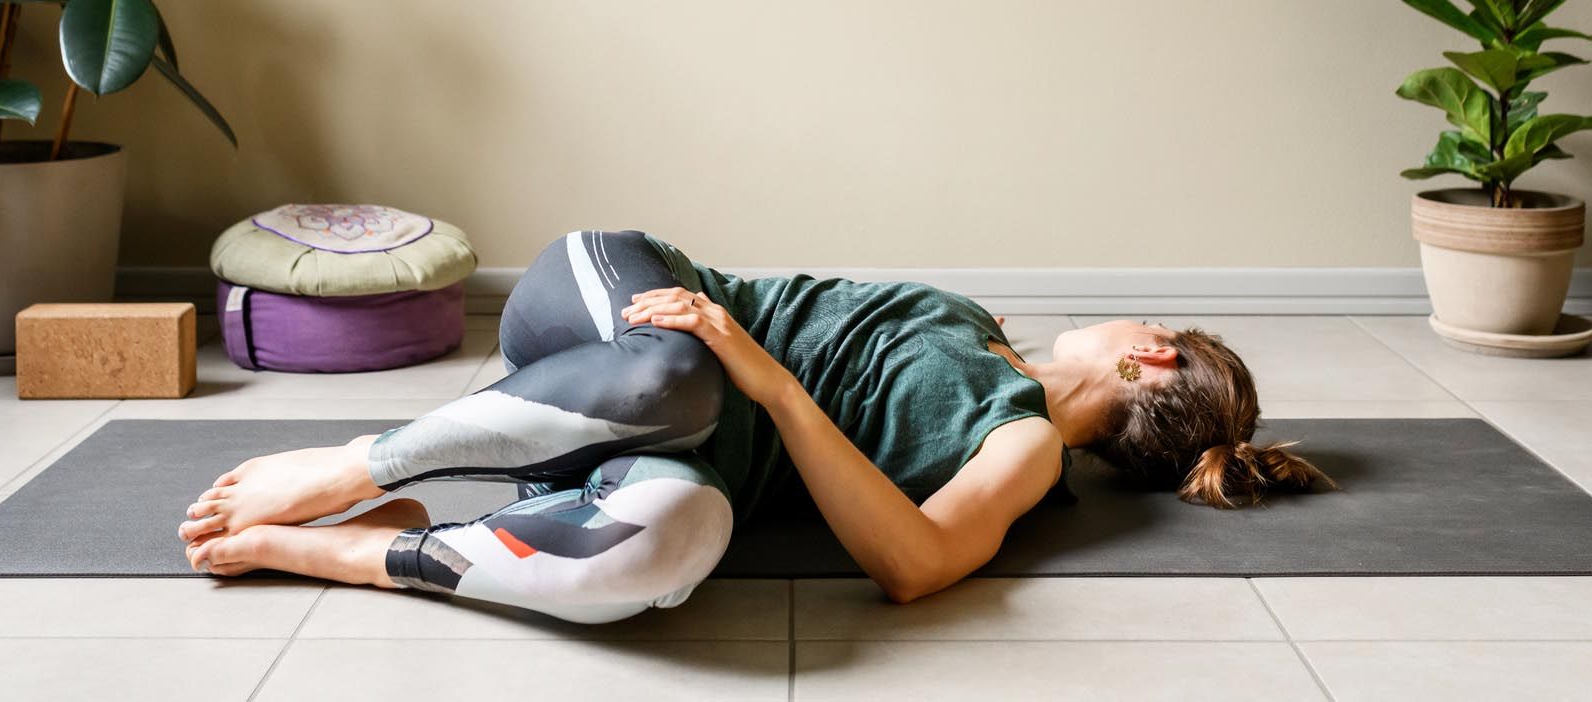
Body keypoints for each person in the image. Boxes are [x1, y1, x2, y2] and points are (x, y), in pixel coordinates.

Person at [176, 229, 1336, 622]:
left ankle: (361, 546)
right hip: (625, 304)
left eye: (1143, 320)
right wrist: (732, 351)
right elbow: (703, 354)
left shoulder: (1026, 441)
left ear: (1152, 353)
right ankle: (350, 466)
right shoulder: (983, 330)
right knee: (681, 379)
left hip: (683, 425)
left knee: (673, 543)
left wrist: (772, 381)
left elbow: (918, 566)